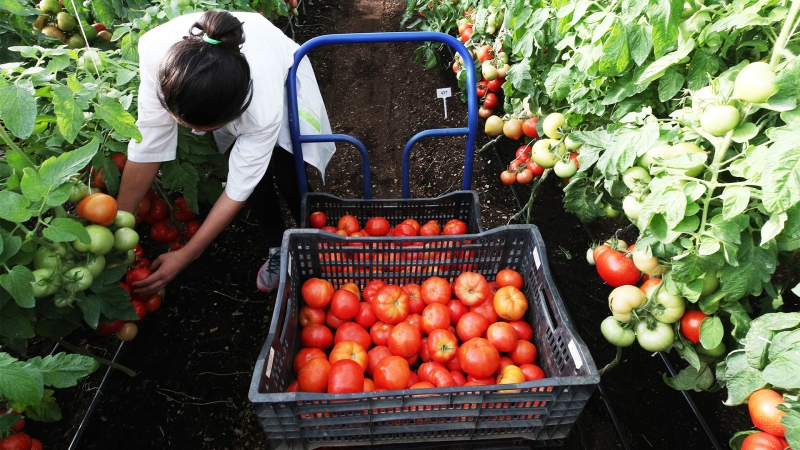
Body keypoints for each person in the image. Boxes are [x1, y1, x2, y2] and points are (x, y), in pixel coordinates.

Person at [117, 10, 334, 296]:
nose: (195, 134)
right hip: (217, 77)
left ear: (235, 110)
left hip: (281, 79)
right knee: (250, 177)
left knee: (289, 172)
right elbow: (148, 145)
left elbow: (240, 183)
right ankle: (276, 248)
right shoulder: (158, 57)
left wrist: (190, 252)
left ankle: (315, 241)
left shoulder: (262, 106)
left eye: (207, 127)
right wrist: (116, 228)